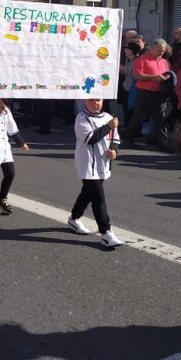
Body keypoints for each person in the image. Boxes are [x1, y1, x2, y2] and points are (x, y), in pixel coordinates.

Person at [66, 97, 123, 248]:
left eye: (97, 100)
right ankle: (106, 232)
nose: (95, 103)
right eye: (91, 100)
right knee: (98, 198)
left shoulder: (109, 117)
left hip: (103, 163)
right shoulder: (81, 118)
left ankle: (74, 219)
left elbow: (115, 139)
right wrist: (108, 127)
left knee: (87, 194)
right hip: (87, 164)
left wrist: (114, 151)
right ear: (85, 102)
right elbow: (90, 139)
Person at [0, 97, 29, 215]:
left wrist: (21, 143)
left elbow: (12, 129)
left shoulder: (5, 111)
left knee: (10, 173)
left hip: (5, 149)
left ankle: (2, 198)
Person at [122, 39, 172, 151]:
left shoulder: (164, 61)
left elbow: (168, 73)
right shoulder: (142, 60)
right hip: (144, 93)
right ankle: (128, 138)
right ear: (152, 48)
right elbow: (137, 76)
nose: (161, 52)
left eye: (163, 51)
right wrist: (154, 78)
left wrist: (167, 77)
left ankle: (163, 143)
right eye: (159, 50)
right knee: (138, 117)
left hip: (159, 94)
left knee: (160, 119)